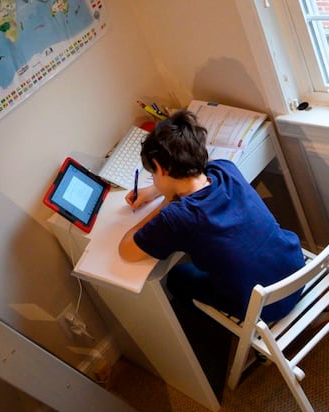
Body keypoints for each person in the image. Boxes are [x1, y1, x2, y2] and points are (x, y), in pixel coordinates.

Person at [118, 110, 305, 325]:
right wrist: (154, 190)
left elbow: (127, 250)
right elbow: (193, 173)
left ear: (160, 168)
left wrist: (166, 201)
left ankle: (211, 335)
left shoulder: (176, 217)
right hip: (295, 268)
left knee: (177, 278)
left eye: (153, 173)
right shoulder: (225, 168)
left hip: (265, 305)